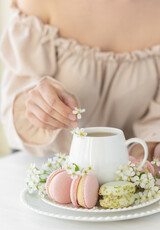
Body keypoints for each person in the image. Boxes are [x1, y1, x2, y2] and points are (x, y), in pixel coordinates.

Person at [0, 0, 160, 161]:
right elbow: (13, 107)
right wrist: (38, 105)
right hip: (43, 165)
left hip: (134, 171)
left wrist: (152, 144)